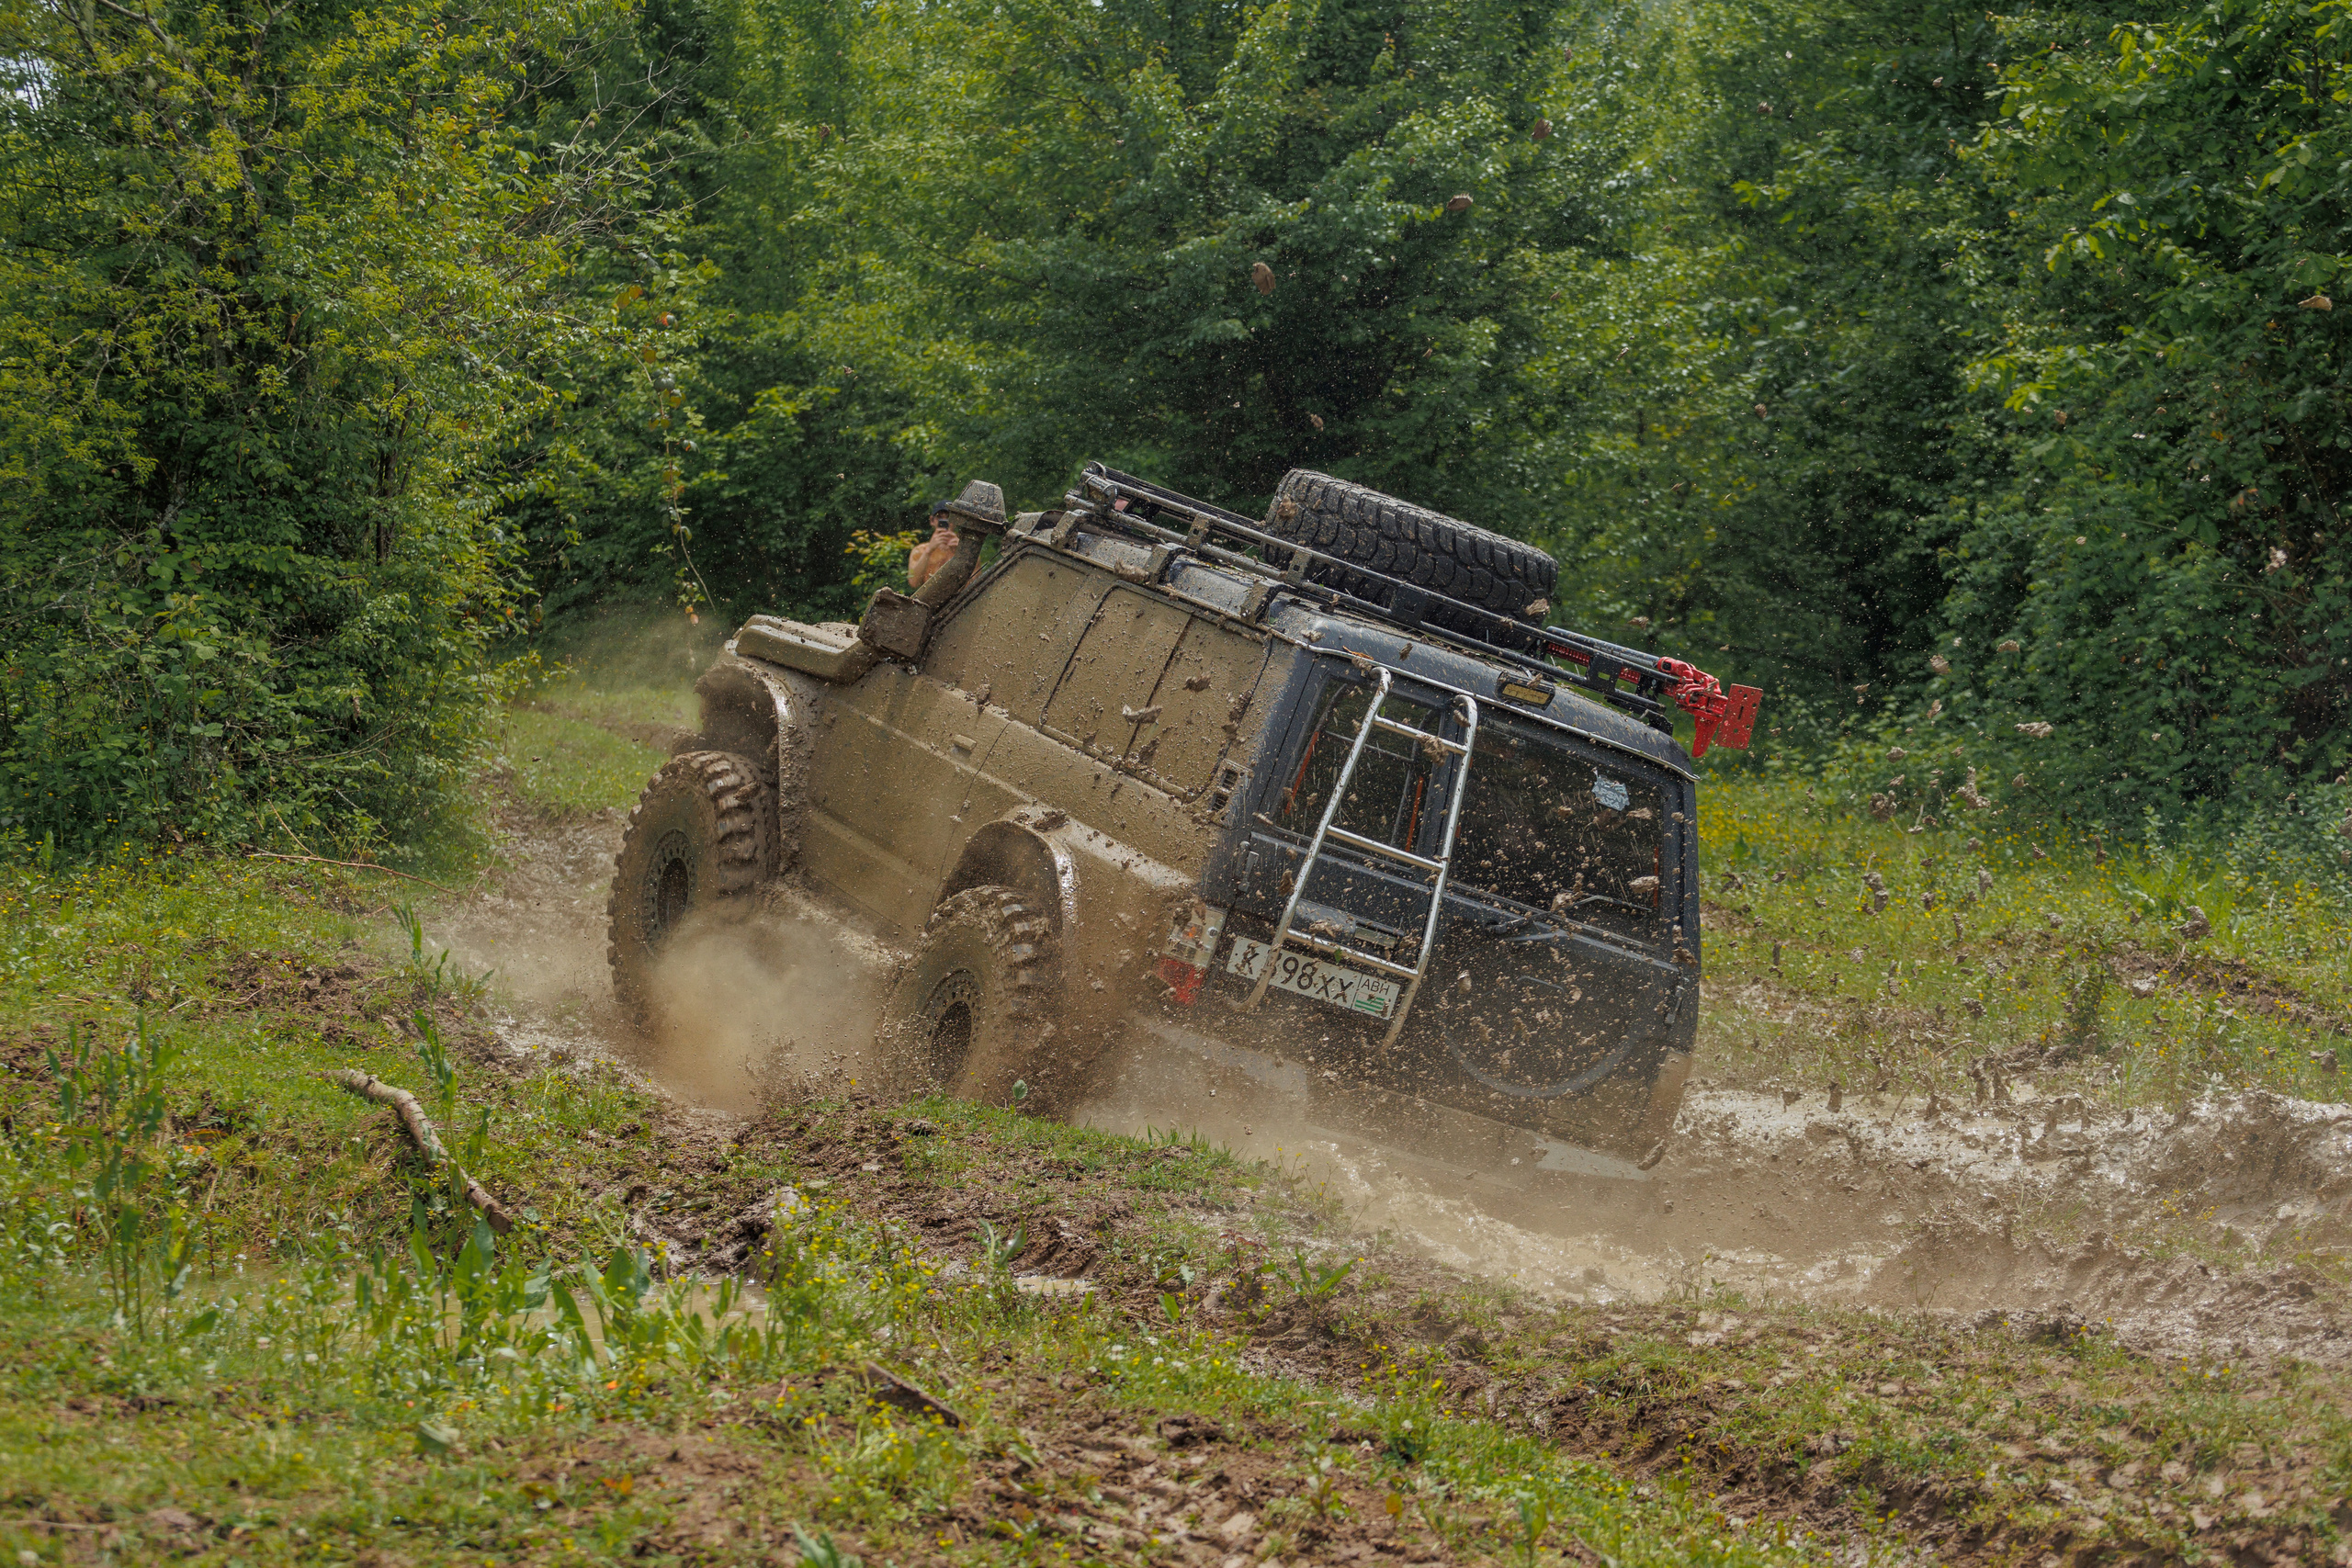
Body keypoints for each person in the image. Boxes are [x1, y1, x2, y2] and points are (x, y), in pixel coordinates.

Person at [906, 502, 960, 590]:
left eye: (949, 517)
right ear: (932, 520)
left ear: (956, 521)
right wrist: (928, 551)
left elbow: (974, 582)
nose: (946, 521)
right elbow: (913, 583)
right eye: (940, 517)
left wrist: (961, 553)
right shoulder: (920, 550)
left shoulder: (965, 549)